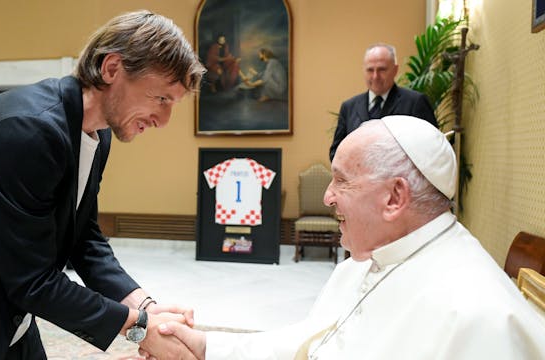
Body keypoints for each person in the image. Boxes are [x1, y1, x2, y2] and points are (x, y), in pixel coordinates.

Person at [0, 10, 205, 360]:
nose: (164, 120)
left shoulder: (95, 132)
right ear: (111, 69)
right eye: (161, 99)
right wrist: (138, 327)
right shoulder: (27, 129)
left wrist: (145, 307)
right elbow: (33, 280)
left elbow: (85, 238)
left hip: (9, 310)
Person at [155, 116, 545, 359]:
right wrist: (207, 348)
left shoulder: (480, 318)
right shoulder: (372, 257)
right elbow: (310, 344)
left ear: (394, 197)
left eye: (341, 180)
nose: (327, 196)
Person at [329, 43, 437, 162]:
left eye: (382, 69)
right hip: (359, 180)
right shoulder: (349, 107)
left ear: (395, 70)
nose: (375, 76)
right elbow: (336, 153)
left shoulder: (415, 102)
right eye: (370, 70)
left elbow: (432, 148)